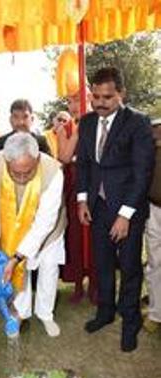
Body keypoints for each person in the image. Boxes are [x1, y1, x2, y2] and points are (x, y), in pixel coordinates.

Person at [77, 67, 155, 352]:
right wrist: (83, 199)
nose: (99, 103)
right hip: (97, 208)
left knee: (131, 269)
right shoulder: (85, 123)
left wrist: (125, 215)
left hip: (128, 212)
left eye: (107, 97)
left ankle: (130, 322)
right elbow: (84, 164)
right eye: (95, 96)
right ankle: (105, 312)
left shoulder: (137, 122)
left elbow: (142, 172)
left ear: (120, 94)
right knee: (103, 265)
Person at [0, 132, 66, 337]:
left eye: (27, 173)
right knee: (14, 272)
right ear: (6, 160)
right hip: (11, 225)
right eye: (15, 173)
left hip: (48, 231)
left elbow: (44, 223)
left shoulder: (53, 172)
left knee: (48, 267)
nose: (21, 178)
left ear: (37, 159)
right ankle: (20, 313)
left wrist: (18, 257)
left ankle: (45, 314)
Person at [57, 87, 99, 304]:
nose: (74, 105)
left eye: (78, 99)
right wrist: (72, 132)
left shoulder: (100, 121)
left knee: (94, 236)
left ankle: (94, 283)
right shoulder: (69, 126)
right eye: (70, 101)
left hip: (95, 186)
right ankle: (77, 283)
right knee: (75, 236)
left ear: (90, 98)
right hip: (74, 185)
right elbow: (63, 156)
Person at [143, 119, 161, 332]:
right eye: (155, 129)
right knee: (155, 263)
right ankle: (156, 314)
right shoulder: (146, 152)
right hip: (153, 209)